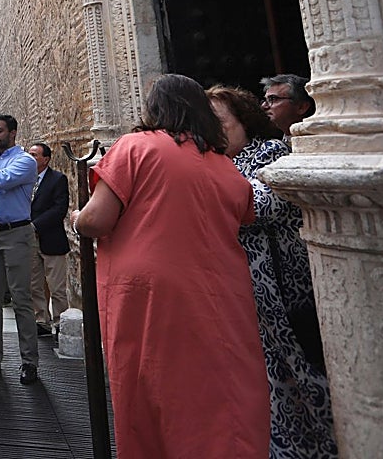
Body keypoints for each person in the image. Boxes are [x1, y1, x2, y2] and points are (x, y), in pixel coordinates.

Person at [75, 73, 269, 458]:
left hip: (151, 295)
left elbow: (96, 220)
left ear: (154, 109)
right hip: (222, 294)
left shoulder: (136, 147)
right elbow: (243, 211)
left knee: (152, 389)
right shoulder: (225, 166)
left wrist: (76, 218)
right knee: (219, 391)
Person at [207, 85, 337, 458]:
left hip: (283, 297)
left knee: (305, 385)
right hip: (244, 303)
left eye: (220, 121)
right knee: (264, 393)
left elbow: (261, 206)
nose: (213, 131)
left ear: (243, 121)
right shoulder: (217, 164)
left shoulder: (270, 153)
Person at [0, 114, 41, 385]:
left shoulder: (25, 161)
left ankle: (29, 361)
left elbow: (3, 181)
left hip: (17, 233)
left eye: (0, 130)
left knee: (21, 299)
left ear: (13, 133)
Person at [27, 142, 69, 337]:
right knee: (35, 284)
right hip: (30, 241)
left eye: (34, 155)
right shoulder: (25, 179)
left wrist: (35, 225)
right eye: (29, 154)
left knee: (56, 286)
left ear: (46, 159)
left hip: (51, 239)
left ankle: (60, 322)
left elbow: (59, 209)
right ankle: (41, 320)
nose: (30, 158)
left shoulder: (57, 179)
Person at [260, 74, 315, 142]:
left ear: (301, 107)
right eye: (266, 100)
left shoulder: (318, 141)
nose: (263, 106)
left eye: (273, 99)